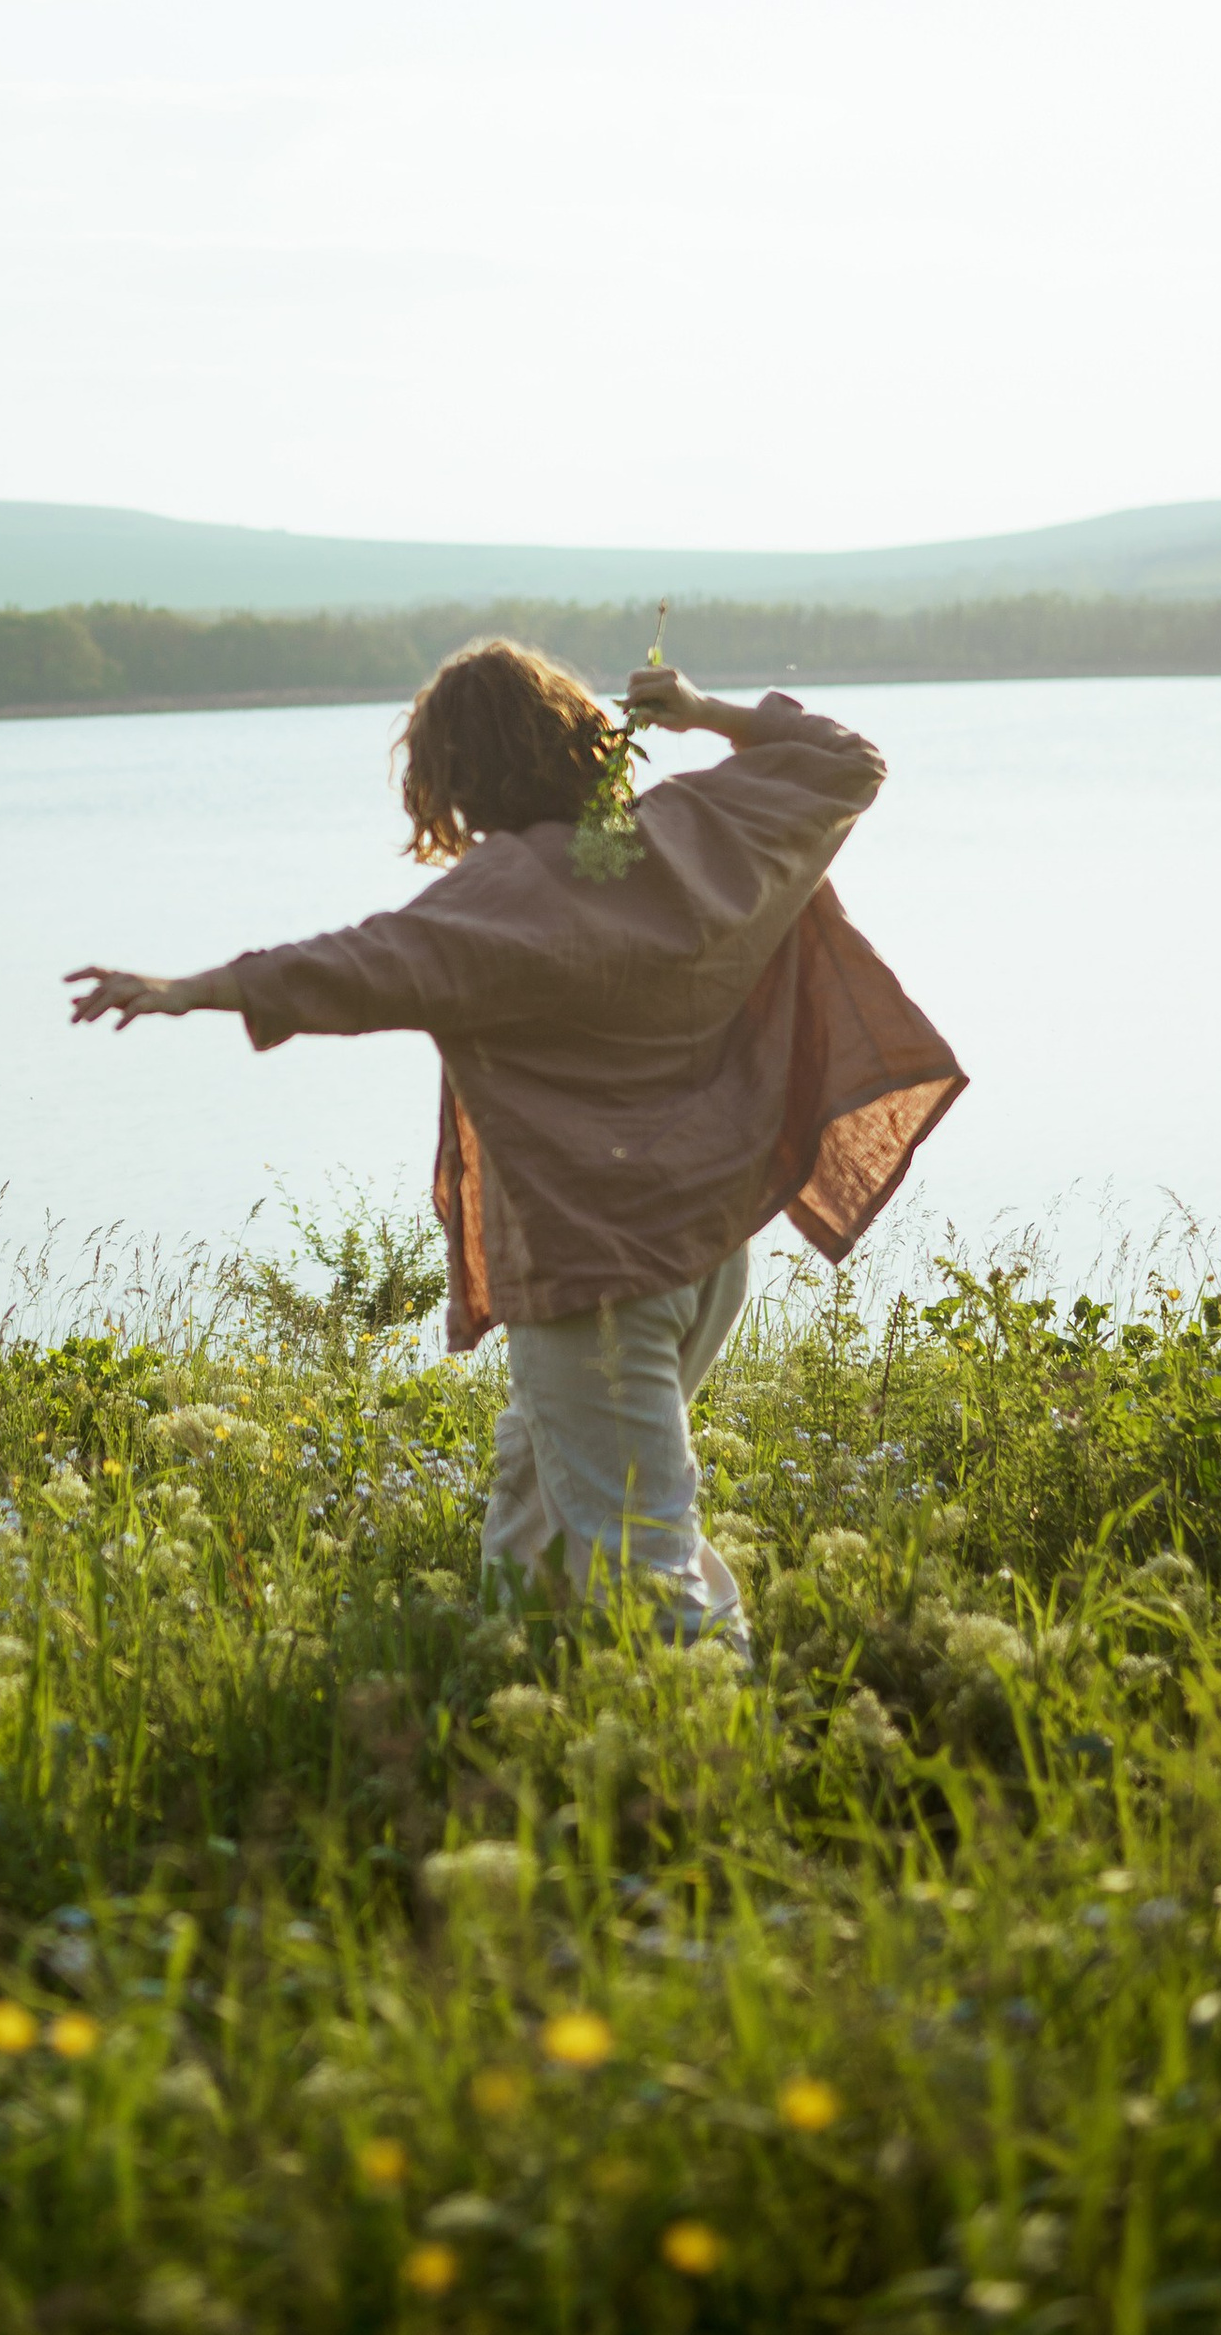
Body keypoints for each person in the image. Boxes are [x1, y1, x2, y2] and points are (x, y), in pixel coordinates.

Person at [66, 643, 965, 1645]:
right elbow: (844, 760)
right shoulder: (694, 830)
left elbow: (368, 963)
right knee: (533, 1508)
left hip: (597, 1270)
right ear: (579, 738)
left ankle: (720, 1750)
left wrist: (192, 988)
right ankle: (515, 1694)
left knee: (638, 1547)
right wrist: (706, 710)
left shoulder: (508, 890)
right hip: (704, 1252)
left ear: (451, 778)